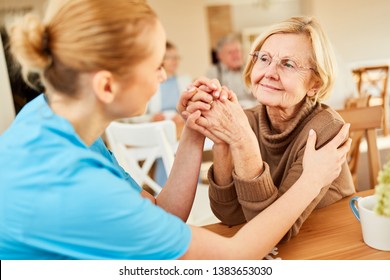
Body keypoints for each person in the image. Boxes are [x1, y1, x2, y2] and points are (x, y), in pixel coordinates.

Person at [0, 0, 351, 260]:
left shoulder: (48, 119)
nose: (164, 76)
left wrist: (192, 132)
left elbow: (159, 215)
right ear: (107, 86)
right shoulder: (81, 187)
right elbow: (233, 257)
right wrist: (311, 179)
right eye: (155, 65)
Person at [185, 16, 356, 242]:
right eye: (264, 58)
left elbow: (274, 232)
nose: (269, 72)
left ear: (314, 85)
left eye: (288, 64)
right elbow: (228, 214)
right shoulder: (248, 119)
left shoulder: (326, 130)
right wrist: (223, 142)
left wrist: (243, 142)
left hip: (331, 243)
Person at [147, 41, 192, 187]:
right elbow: (142, 115)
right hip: (159, 131)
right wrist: (152, 117)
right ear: (161, 60)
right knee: (164, 153)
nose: (175, 61)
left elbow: (191, 107)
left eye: (177, 57)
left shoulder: (185, 80)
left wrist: (183, 114)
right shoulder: (151, 83)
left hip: (180, 131)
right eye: (170, 57)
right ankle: (164, 190)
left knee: (187, 153)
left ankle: (189, 188)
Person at [206, 33, 257, 109]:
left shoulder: (251, 68)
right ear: (219, 56)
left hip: (254, 110)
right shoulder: (213, 73)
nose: (236, 55)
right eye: (230, 52)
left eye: (237, 51)